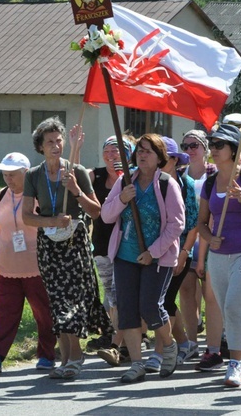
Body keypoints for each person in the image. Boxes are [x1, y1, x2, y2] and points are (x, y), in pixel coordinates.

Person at [22, 117, 111, 380]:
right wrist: (51, 221)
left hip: (75, 244)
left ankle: (76, 356)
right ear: (40, 146)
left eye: (59, 140)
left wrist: (75, 192)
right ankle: (66, 358)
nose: (56, 145)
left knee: (73, 300)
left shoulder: (77, 171)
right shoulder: (33, 175)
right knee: (57, 301)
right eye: (50, 141)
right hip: (49, 246)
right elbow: (27, 216)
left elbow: (97, 212)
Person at [101, 134, 185, 383]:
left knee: (150, 306)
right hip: (125, 256)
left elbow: (176, 224)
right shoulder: (126, 181)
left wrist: (153, 252)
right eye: (139, 150)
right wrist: (122, 199)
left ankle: (169, 346)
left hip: (157, 258)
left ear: (159, 157)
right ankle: (137, 363)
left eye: (148, 151)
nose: (142, 154)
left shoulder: (167, 184)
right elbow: (106, 215)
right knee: (126, 310)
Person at [196, 124, 241, 387]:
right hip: (218, 255)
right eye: (211, 145)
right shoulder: (210, 182)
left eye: (219, 145)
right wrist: (209, 237)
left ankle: (235, 364)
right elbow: (201, 222)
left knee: (234, 306)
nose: (213, 150)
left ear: (233, 150)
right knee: (230, 311)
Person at [0, 153, 56, 373]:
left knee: (44, 313)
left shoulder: (39, 196)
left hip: (36, 267)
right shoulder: (1, 195)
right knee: (3, 311)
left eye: (12, 174)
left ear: (26, 173)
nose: (8, 179)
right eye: (5, 174)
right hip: (6, 267)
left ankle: (47, 354)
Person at [178, 129, 224, 371]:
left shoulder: (216, 174)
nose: (189, 150)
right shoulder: (179, 175)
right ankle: (191, 342)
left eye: (194, 145)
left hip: (210, 237)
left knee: (211, 294)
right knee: (186, 290)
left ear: (205, 148)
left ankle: (214, 343)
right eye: (185, 146)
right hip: (186, 240)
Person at [90, 135, 135, 366]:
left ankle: (117, 345)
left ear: (128, 154)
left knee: (121, 295)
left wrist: (122, 178)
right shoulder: (95, 175)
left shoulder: (132, 177)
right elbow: (73, 178)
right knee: (114, 298)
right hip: (101, 244)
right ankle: (124, 342)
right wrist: (76, 145)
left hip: (125, 244)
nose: (110, 155)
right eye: (107, 150)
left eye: (116, 151)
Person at [160, 137, 200, 365]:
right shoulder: (152, 181)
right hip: (156, 251)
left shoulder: (187, 184)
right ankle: (181, 344)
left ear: (175, 160)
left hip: (180, 252)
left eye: (164, 156)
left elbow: (193, 225)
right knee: (160, 300)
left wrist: (184, 255)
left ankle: (173, 346)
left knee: (163, 300)